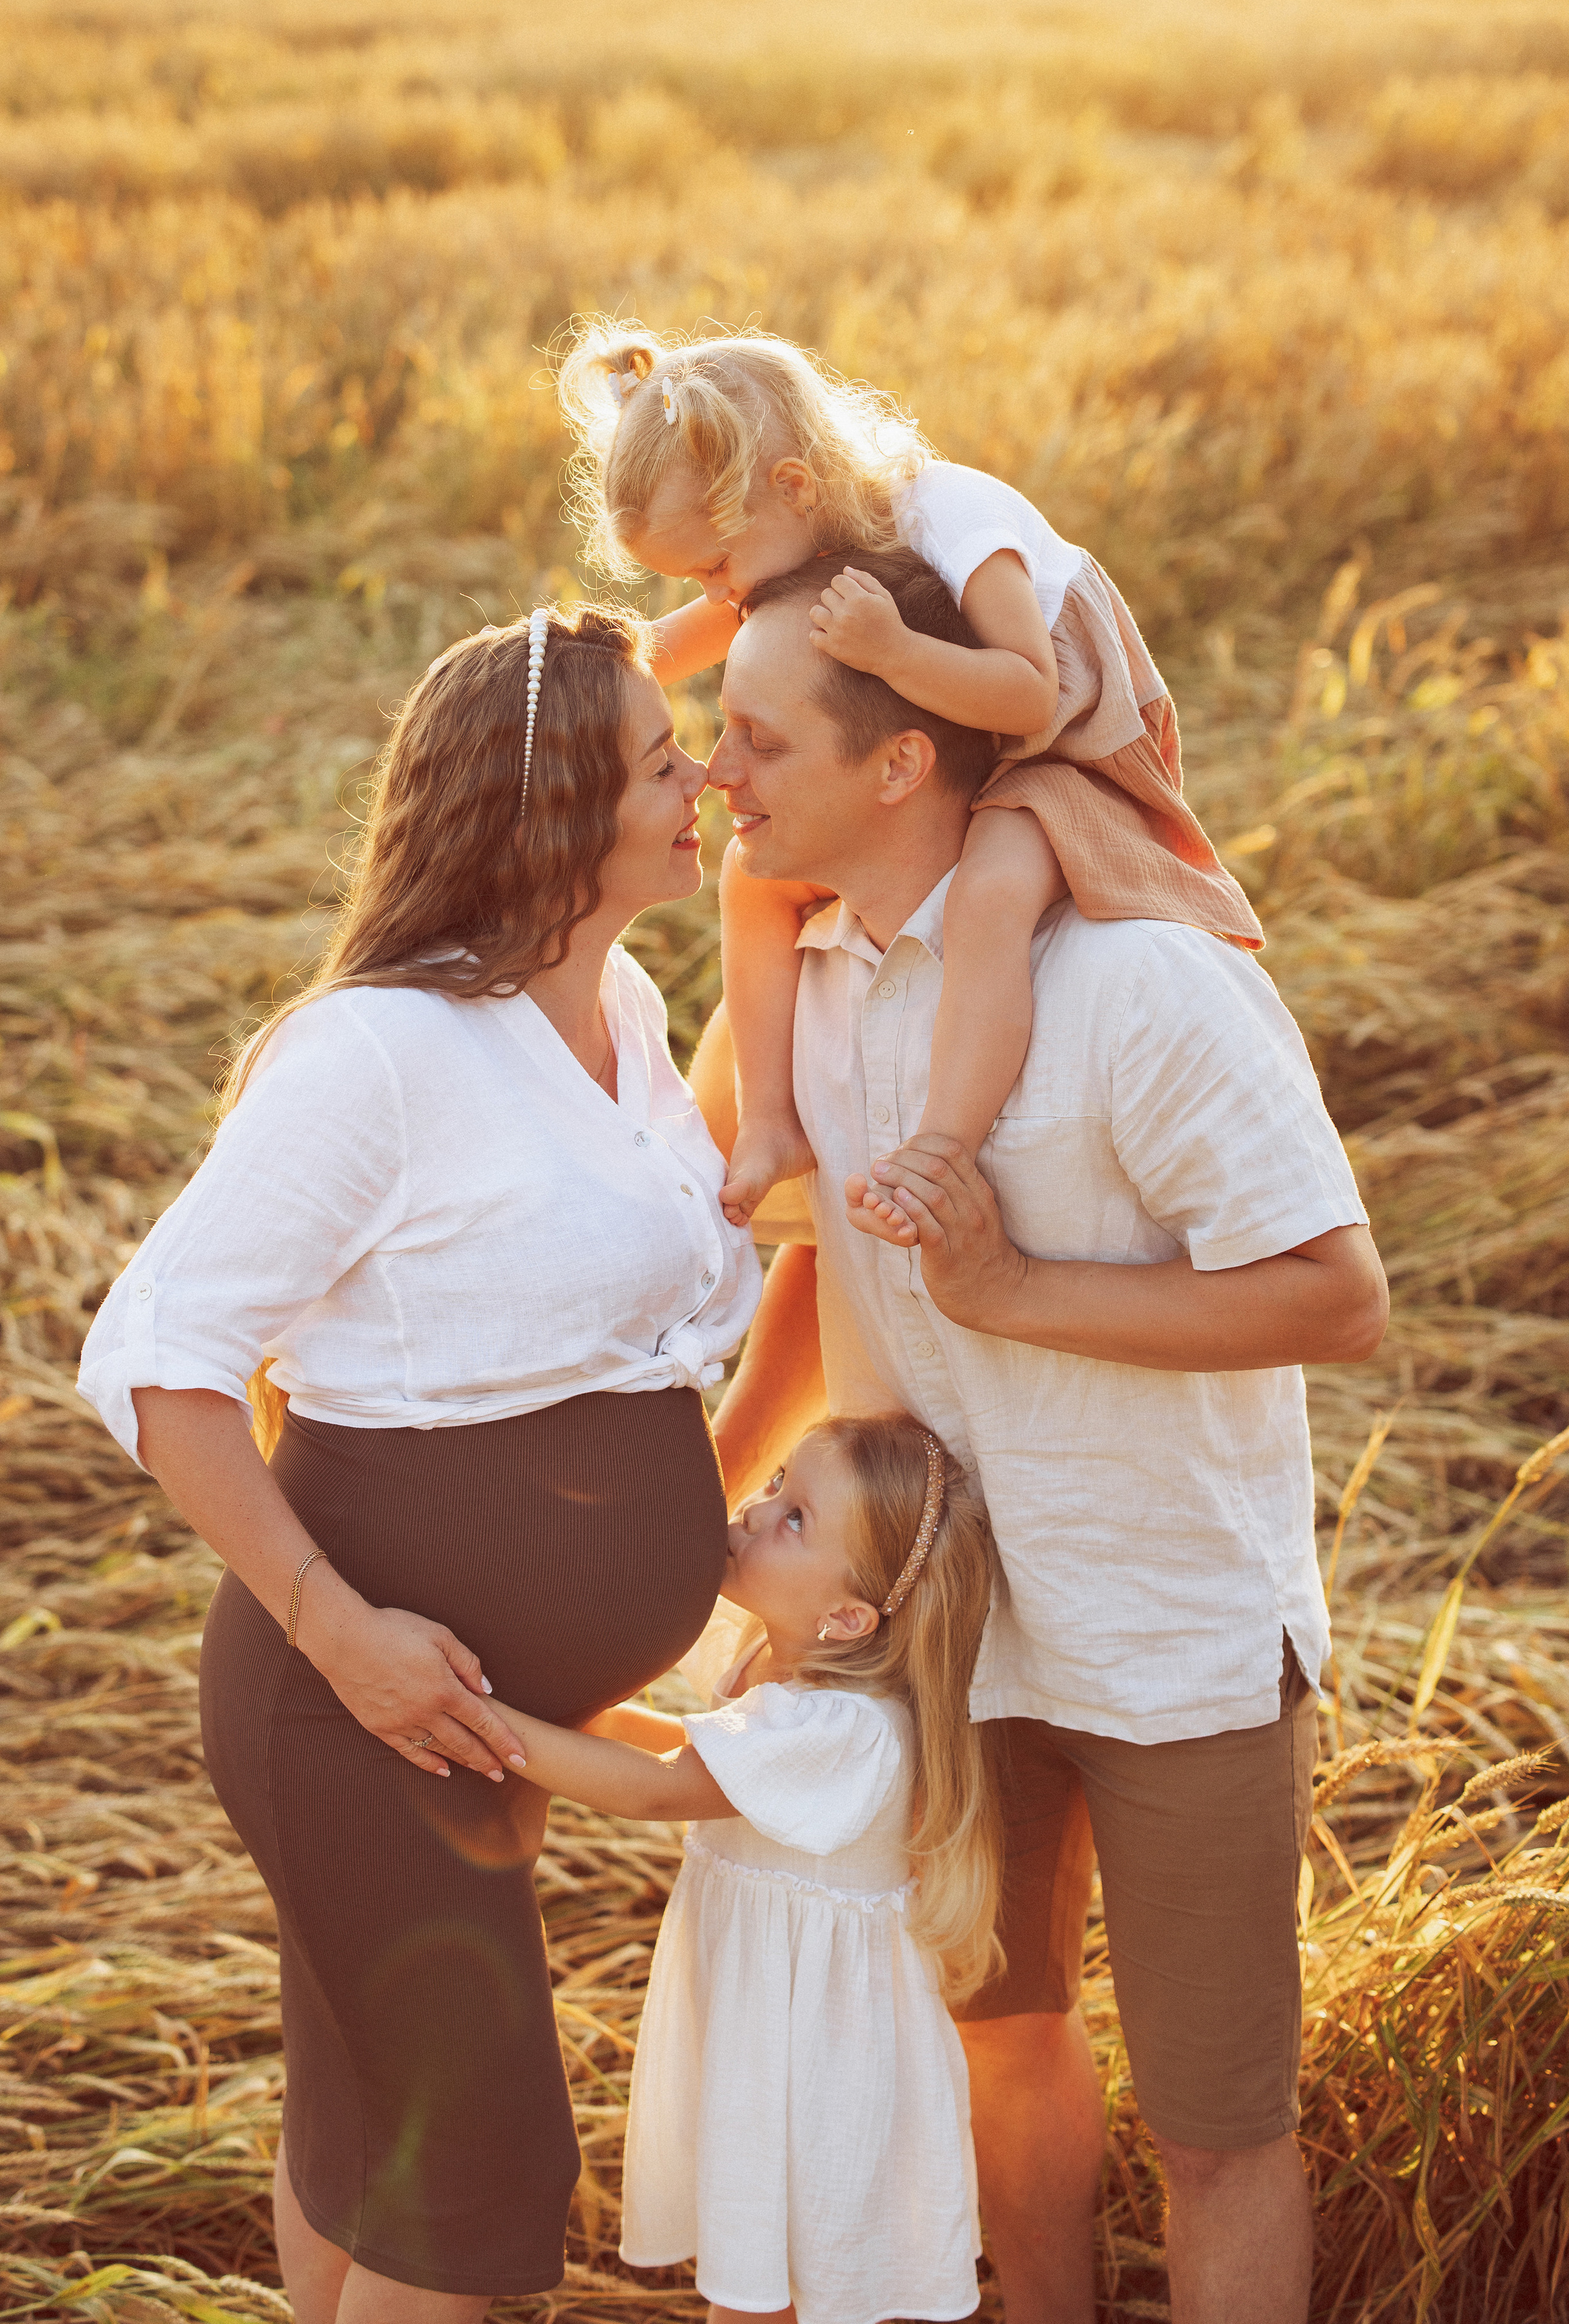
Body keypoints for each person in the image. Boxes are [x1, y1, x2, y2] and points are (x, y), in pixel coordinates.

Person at [693, 547, 1390, 2324]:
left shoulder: (1142, 985)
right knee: (997, 2054)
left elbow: (1335, 1297)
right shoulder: (817, 990)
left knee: (1220, 2124)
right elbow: (811, 1273)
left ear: (902, 763)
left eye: (760, 741)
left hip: (1171, 1643)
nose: (722, 778)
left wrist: (1013, 1294)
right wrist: (692, 1548)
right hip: (944, 1644)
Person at [77, 606, 760, 2324]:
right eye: (664, 763)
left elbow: (643, 1334)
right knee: (483, 2177)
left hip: (472, 1722)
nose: (707, 785)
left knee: (368, 2133)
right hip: (351, 1702)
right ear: (549, 813)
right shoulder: (378, 1055)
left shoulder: (624, 998)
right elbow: (160, 1359)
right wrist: (336, 1630)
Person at [556, 321, 1262, 1229]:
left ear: (793, 488)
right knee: (750, 878)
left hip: (1069, 753)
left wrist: (892, 652)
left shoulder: (952, 513)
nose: (722, 595)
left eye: (717, 568)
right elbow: (691, 635)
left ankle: (944, 1143)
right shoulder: (792, 531)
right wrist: (586, 669)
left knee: (992, 894)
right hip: (963, 749)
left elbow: (1026, 695)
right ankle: (771, 1121)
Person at [487, 1410, 1001, 2324]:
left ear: (846, 1616)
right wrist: (563, 1716)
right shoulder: (774, 1664)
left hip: (821, 2054)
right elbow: (681, 1749)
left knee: (799, 2286)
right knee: (759, 2279)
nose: (759, 1511)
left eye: (797, 1517)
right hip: (766, 2019)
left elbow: (657, 1788)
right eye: (776, 1487)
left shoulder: (849, 1729)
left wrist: (488, 1726)